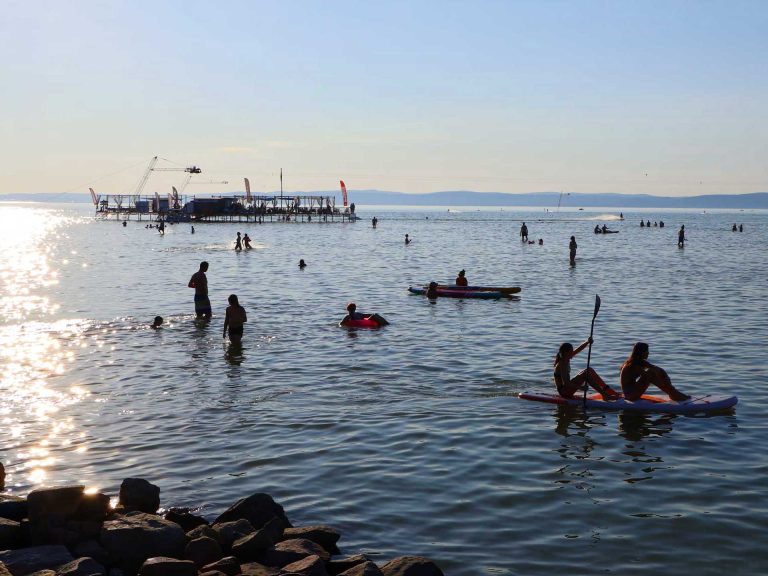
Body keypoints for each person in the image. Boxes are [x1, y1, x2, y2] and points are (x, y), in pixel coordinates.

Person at [620, 342, 689, 401]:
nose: (648, 353)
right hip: (630, 395)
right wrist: (666, 384)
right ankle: (673, 394)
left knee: (654, 371)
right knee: (651, 373)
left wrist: (665, 377)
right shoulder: (632, 365)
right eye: (646, 351)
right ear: (640, 353)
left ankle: (673, 393)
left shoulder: (640, 362)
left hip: (634, 391)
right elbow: (648, 376)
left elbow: (658, 369)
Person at [553, 339, 618, 400]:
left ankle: (606, 389)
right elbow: (566, 383)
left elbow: (578, 349)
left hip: (567, 389)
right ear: (565, 353)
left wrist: (587, 342)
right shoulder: (562, 364)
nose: (572, 353)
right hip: (564, 392)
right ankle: (605, 395)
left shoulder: (566, 357)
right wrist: (581, 388)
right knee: (585, 374)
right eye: (571, 352)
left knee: (589, 370)